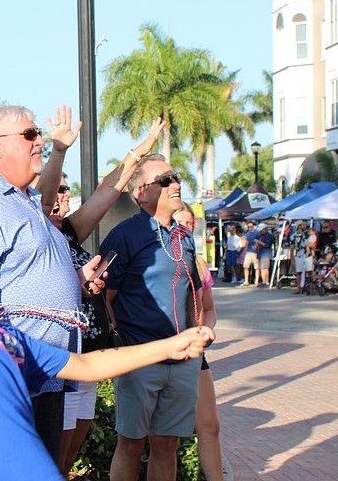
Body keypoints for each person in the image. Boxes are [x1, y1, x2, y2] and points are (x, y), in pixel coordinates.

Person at [0, 98, 213, 480]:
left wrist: (172, 345)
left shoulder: (9, 339)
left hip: (46, 377)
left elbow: (88, 366)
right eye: (30, 134)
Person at [0, 105, 92, 460]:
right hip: (13, 379)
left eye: (37, 133)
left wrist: (75, 281)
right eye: (29, 135)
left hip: (45, 372)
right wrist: (12, 361)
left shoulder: (28, 200)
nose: (39, 140)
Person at [33, 113, 165, 477]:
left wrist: (141, 151)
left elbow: (109, 190)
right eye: (56, 190)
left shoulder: (70, 231)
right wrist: (76, 283)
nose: (63, 196)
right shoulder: (37, 236)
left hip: (90, 359)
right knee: (53, 461)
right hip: (62, 364)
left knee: (69, 459)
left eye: (65, 189)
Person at [99, 154, 204, 481]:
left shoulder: (184, 237)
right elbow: (104, 296)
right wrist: (121, 345)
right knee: (130, 444)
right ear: (140, 193)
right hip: (140, 358)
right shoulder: (124, 235)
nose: (175, 184)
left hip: (182, 361)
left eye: (175, 177)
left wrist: (195, 338)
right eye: (164, 180)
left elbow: (193, 295)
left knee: (167, 445)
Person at [174, 204, 225, 481]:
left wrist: (206, 329)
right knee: (162, 435)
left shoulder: (198, 264)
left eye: (190, 224)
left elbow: (210, 309)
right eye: (181, 223)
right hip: (160, 350)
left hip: (195, 353)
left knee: (209, 425)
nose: (187, 229)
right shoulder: (157, 259)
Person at [290, 222, 314, 295]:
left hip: (308, 255)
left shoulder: (308, 235)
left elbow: (312, 245)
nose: (304, 226)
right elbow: (292, 248)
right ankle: (298, 288)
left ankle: (310, 289)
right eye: (303, 225)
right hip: (299, 255)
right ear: (299, 226)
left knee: (309, 272)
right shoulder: (294, 236)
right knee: (298, 272)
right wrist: (292, 258)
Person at [240, 221, 260, 286]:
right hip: (248, 251)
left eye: (251, 227)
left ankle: (256, 281)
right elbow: (245, 239)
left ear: (254, 226)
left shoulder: (257, 233)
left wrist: (256, 245)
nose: (250, 228)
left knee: (256, 267)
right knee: (245, 266)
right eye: (248, 227)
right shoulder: (247, 233)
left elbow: (260, 240)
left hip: (255, 252)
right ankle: (246, 281)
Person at [255, 223, 273, 288]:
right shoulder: (260, 235)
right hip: (261, 252)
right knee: (262, 268)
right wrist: (256, 245)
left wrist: (258, 242)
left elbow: (267, 245)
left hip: (266, 252)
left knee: (265, 268)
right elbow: (258, 242)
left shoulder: (268, 236)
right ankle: (264, 281)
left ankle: (266, 281)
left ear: (264, 229)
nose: (260, 231)